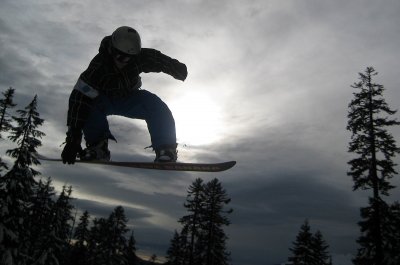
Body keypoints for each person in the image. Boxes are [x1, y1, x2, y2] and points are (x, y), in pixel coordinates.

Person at [61, 26, 187, 164]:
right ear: (112, 50)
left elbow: (157, 59)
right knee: (88, 105)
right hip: (103, 99)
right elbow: (78, 100)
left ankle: (165, 149)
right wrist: (73, 139)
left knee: (155, 105)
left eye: (129, 59)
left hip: (129, 97)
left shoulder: (139, 58)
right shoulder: (97, 67)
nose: (123, 62)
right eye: (120, 57)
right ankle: (98, 146)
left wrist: (176, 68)